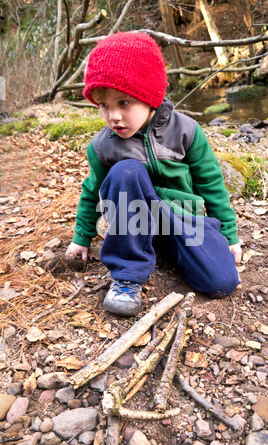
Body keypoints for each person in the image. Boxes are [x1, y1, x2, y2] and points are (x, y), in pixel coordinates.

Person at [66, 31, 242, 317]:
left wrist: (230, 236)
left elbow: (211, 184)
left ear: (149, 95)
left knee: (222, 282)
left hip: (183, 218)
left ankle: (172, 251)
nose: (114, 117)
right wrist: (81, 237)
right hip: (132, 222)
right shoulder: (102, 146)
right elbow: (91, 191)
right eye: (104, 106)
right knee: (126, 171)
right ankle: (128, 274)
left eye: (123, 103)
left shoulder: (186, 131)